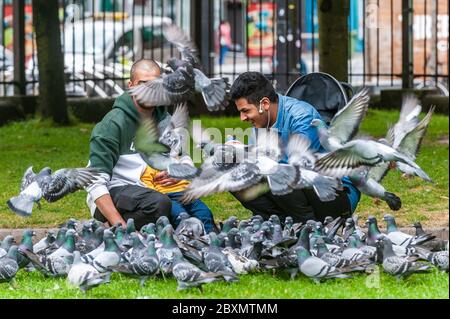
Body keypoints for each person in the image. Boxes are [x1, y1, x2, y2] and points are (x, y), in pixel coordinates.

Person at [86, 59, 216, 232]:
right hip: (118, 193)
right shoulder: (111, 125)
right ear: (130, 85)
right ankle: (109, 228)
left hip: (160, 190)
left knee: (203, 214)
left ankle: (210, 249)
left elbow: (183, 157)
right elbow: (94, 183)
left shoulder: (166, 120)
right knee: (162, 206)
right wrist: (120, 226)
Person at [229, 71, 361, 223]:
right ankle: (278, 221)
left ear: (264, 104)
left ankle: (308, 226)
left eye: (245, 111)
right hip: (300, 193)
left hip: (335, 194)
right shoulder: (262, 120)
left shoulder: (304, 118)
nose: (242, 118)